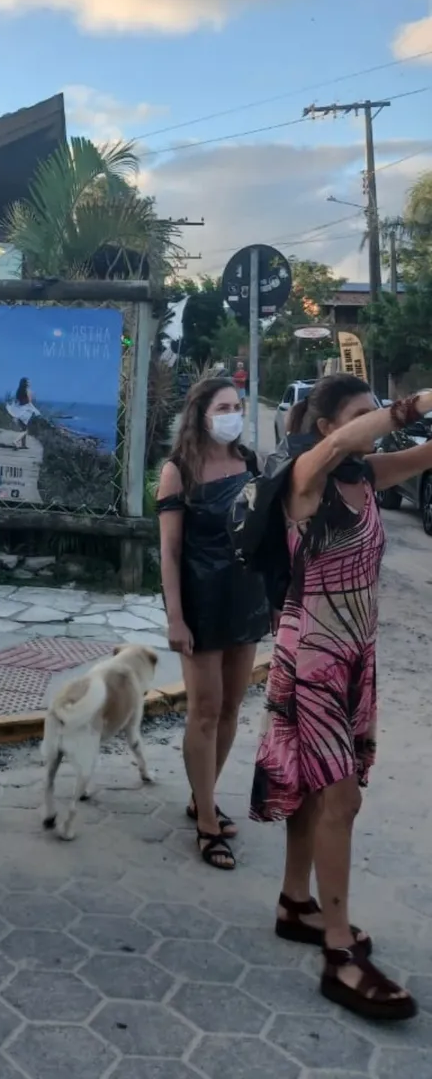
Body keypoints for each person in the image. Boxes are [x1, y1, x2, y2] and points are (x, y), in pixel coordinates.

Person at [249, 374, 432, 1022]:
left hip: (355, 654)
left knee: (315, 785)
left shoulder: (365, 477)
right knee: (340, 796)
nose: (379, 422)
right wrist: (420, 400)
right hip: (315, 655)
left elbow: (425, 454)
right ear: (329, 428)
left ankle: (297, 901)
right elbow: (363, 434)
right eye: (364, 414)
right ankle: (337, 951)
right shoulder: (310, 474)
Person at [157, 377, 270, 871]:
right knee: (204, 709)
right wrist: (176, 617)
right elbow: (170, 551)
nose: (233, 413)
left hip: (245, 598)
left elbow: (266, 533)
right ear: (201, 412)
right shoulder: (177, 470)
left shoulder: (249, 462)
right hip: (201, 601)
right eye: (223, 406)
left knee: (230, 709)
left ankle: (202, 796)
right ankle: (206, 821)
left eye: (238, 405)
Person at [6, 378, 40, 449]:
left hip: (19, 409)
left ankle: (23, 444)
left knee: (24, 428)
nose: (30, 383)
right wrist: (31, 396)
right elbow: (29, 401)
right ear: (26, 383)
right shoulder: (27, 391)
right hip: (26, 410)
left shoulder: (19, 391)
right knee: (26, 430)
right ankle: (15, 441)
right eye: (28, 382)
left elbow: (19, 400)